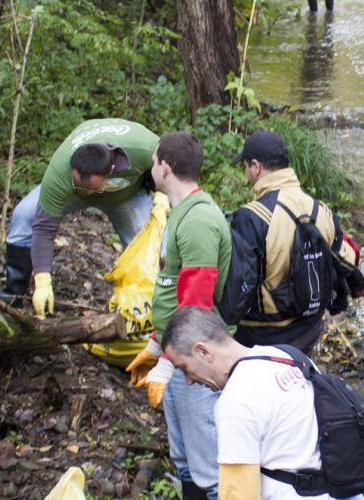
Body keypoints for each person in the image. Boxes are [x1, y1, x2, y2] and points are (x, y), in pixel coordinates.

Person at [125, 132, 232, 500]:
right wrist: (156, 347)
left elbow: (197, 306)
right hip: (178, 356)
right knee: (185, 462)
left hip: (197, 366)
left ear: (165, 168)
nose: (150, 166)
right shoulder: (178, 213)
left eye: (153, 161)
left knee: (210, 473)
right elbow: (173, 292)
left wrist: (170, 365)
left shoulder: (199, 221)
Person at [161, 306, 362, 500]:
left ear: (202, 351)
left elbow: (239, 495)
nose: (188, 380)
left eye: (184, 368)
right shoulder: (288, 356)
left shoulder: (236, 400)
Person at [0, 118, 159, 318]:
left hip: (126, 197)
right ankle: (14, 298)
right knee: (24, 216)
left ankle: (149, 307)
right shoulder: (60, 172)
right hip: (73, 196)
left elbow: (170, 169)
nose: (90, 193)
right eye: (81, 185)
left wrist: (162, 195)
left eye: (93, 187)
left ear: (111, 170)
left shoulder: (143, 147)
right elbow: (43, 227)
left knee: (148, 246)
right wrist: (42, 279)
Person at [229, 131, 361, 356]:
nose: (246, 173)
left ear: (255, 166)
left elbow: (240, 287)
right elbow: (346, 261)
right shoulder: (320, 209)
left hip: (262, 335)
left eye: (245, 167)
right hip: (309, 328)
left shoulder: (251, 217)